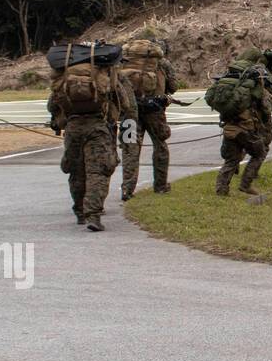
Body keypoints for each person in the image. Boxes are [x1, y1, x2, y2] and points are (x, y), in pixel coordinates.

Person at [47, 43, 137, 232]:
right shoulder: (105, 74)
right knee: (98, 172)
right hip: (98, 128)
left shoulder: (64, 74)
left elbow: (52, 105)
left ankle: (79, 211)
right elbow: (126, 103)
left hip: (72, 129)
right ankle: (93, 215)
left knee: (76, 171)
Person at [212, 48, 272, 197]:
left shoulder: (231, 77)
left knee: (231, 159)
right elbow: (270, 105)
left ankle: (221, 190)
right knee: (259, 152)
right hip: (247, 126)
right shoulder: (256, 80)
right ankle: (245, 184)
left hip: (229, 125)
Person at [119, 34, 181, 200]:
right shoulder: (161, 63)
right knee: (160, 145)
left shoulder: (125, 60)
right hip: (155, 111)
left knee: (130, 148)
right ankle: (160, 186)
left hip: (130, 111)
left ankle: (127, 189)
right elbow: (174, 86)